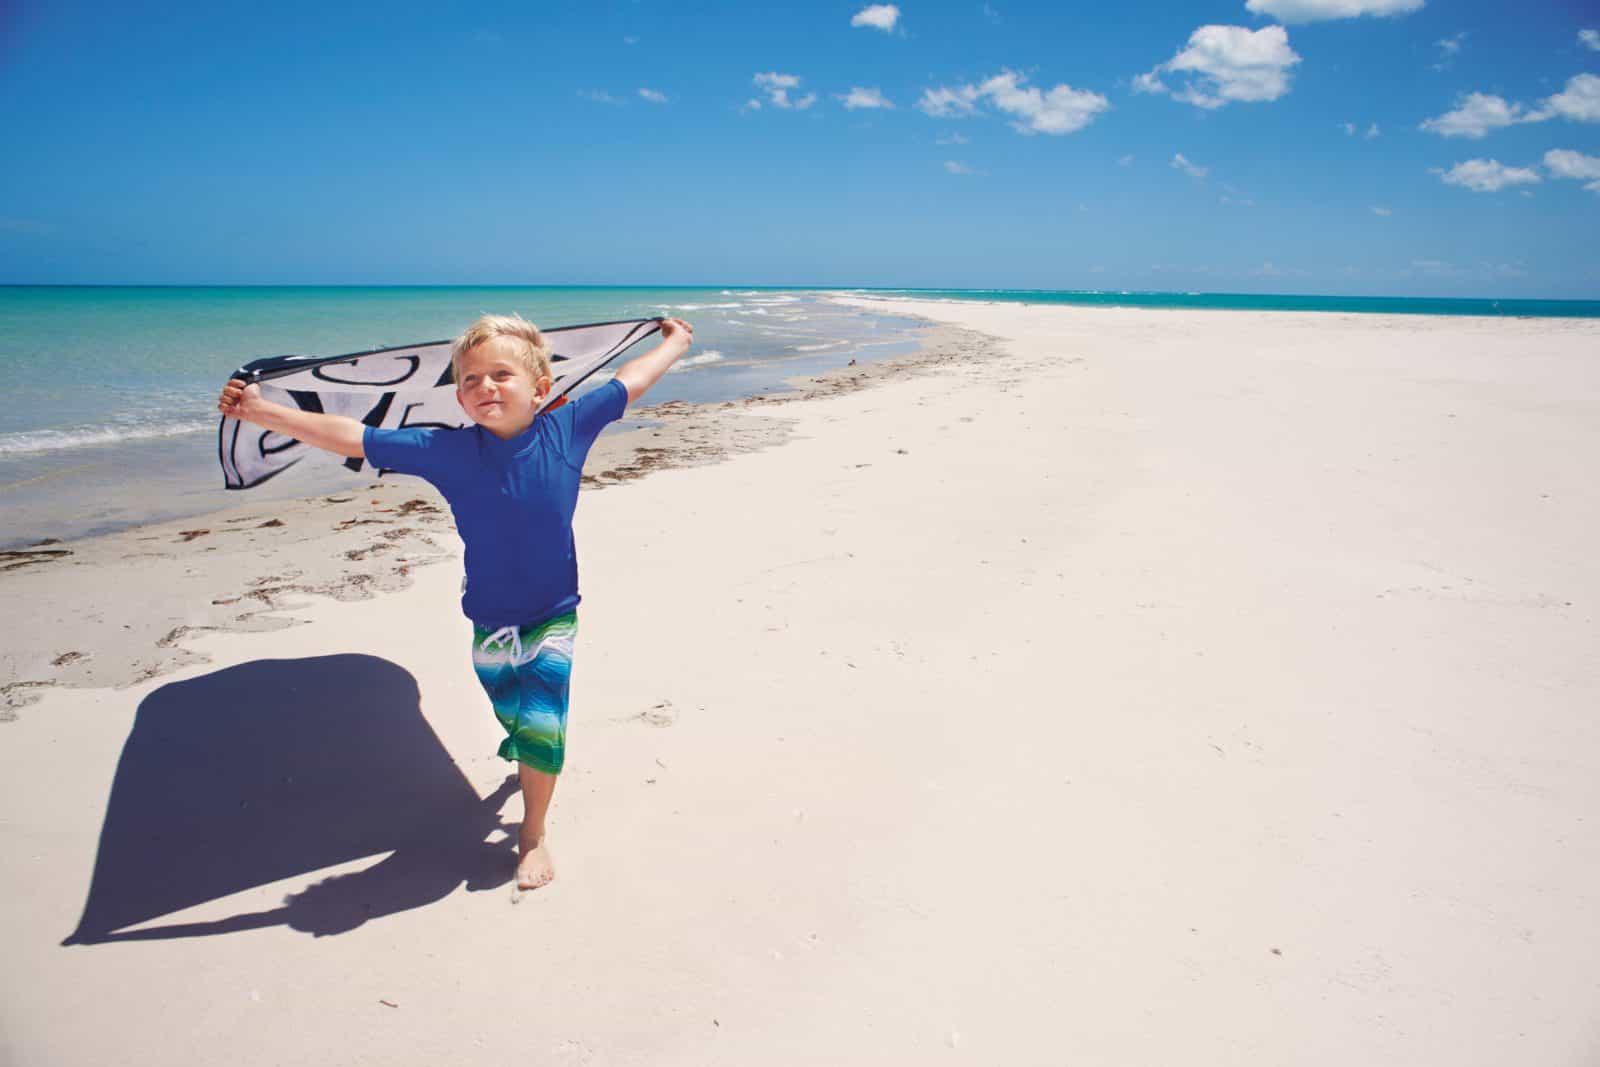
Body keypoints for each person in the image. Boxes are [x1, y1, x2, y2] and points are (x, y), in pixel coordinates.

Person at [217, 313, 695, 892]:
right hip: (490, 618)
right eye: (470, 379)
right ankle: (525, 755)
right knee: (511, 712)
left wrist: (675, 341)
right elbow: (351, 437)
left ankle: (533, 833)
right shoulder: (445, 450)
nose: (484, 387)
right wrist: (262, 412)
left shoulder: (568, 427)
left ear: (540, 388)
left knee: (542, 724)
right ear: (458, 396)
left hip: (553, 613)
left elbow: (631, 381)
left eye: (500, 375)